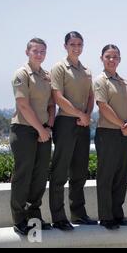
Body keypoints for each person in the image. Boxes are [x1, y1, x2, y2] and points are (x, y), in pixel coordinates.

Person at [49, 31, 96, 230]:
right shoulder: (59, 68)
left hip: (83, 124)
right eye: (72, 44)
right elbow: (58, 98)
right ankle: (59, 217)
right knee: (60, 172)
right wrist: (79, 113)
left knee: (79, 172)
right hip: (66, 123)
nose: (76, 47)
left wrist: (87, 115)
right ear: (65, 45)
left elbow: (91, 96)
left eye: (79, 44)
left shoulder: (86, 70)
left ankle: (78, 213)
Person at [10, 38, 55, 235]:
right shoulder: (22, 74)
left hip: (44, 131)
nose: (39, 54)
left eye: (42, 51)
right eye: (35, 51)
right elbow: (23, 105)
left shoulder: (46, 75)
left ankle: (34, 217)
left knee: (40, 176)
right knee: (23, 175)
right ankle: (19, 219)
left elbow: (51, 104)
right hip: (25, 130)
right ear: (27, 52)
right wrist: (40, 130)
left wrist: (49, 127)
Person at [94, 44, 127, 230]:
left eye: (115, 57)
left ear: (119, 59)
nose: (112, 60)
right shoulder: (100, 81)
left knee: (121, 176)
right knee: (107, 176)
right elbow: (103, 106)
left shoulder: (125, 83)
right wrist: (122, 125)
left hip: (125, 133)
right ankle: (106, 216)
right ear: (101, 58)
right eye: (108, 56)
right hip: (108, 133)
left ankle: (118, 213)